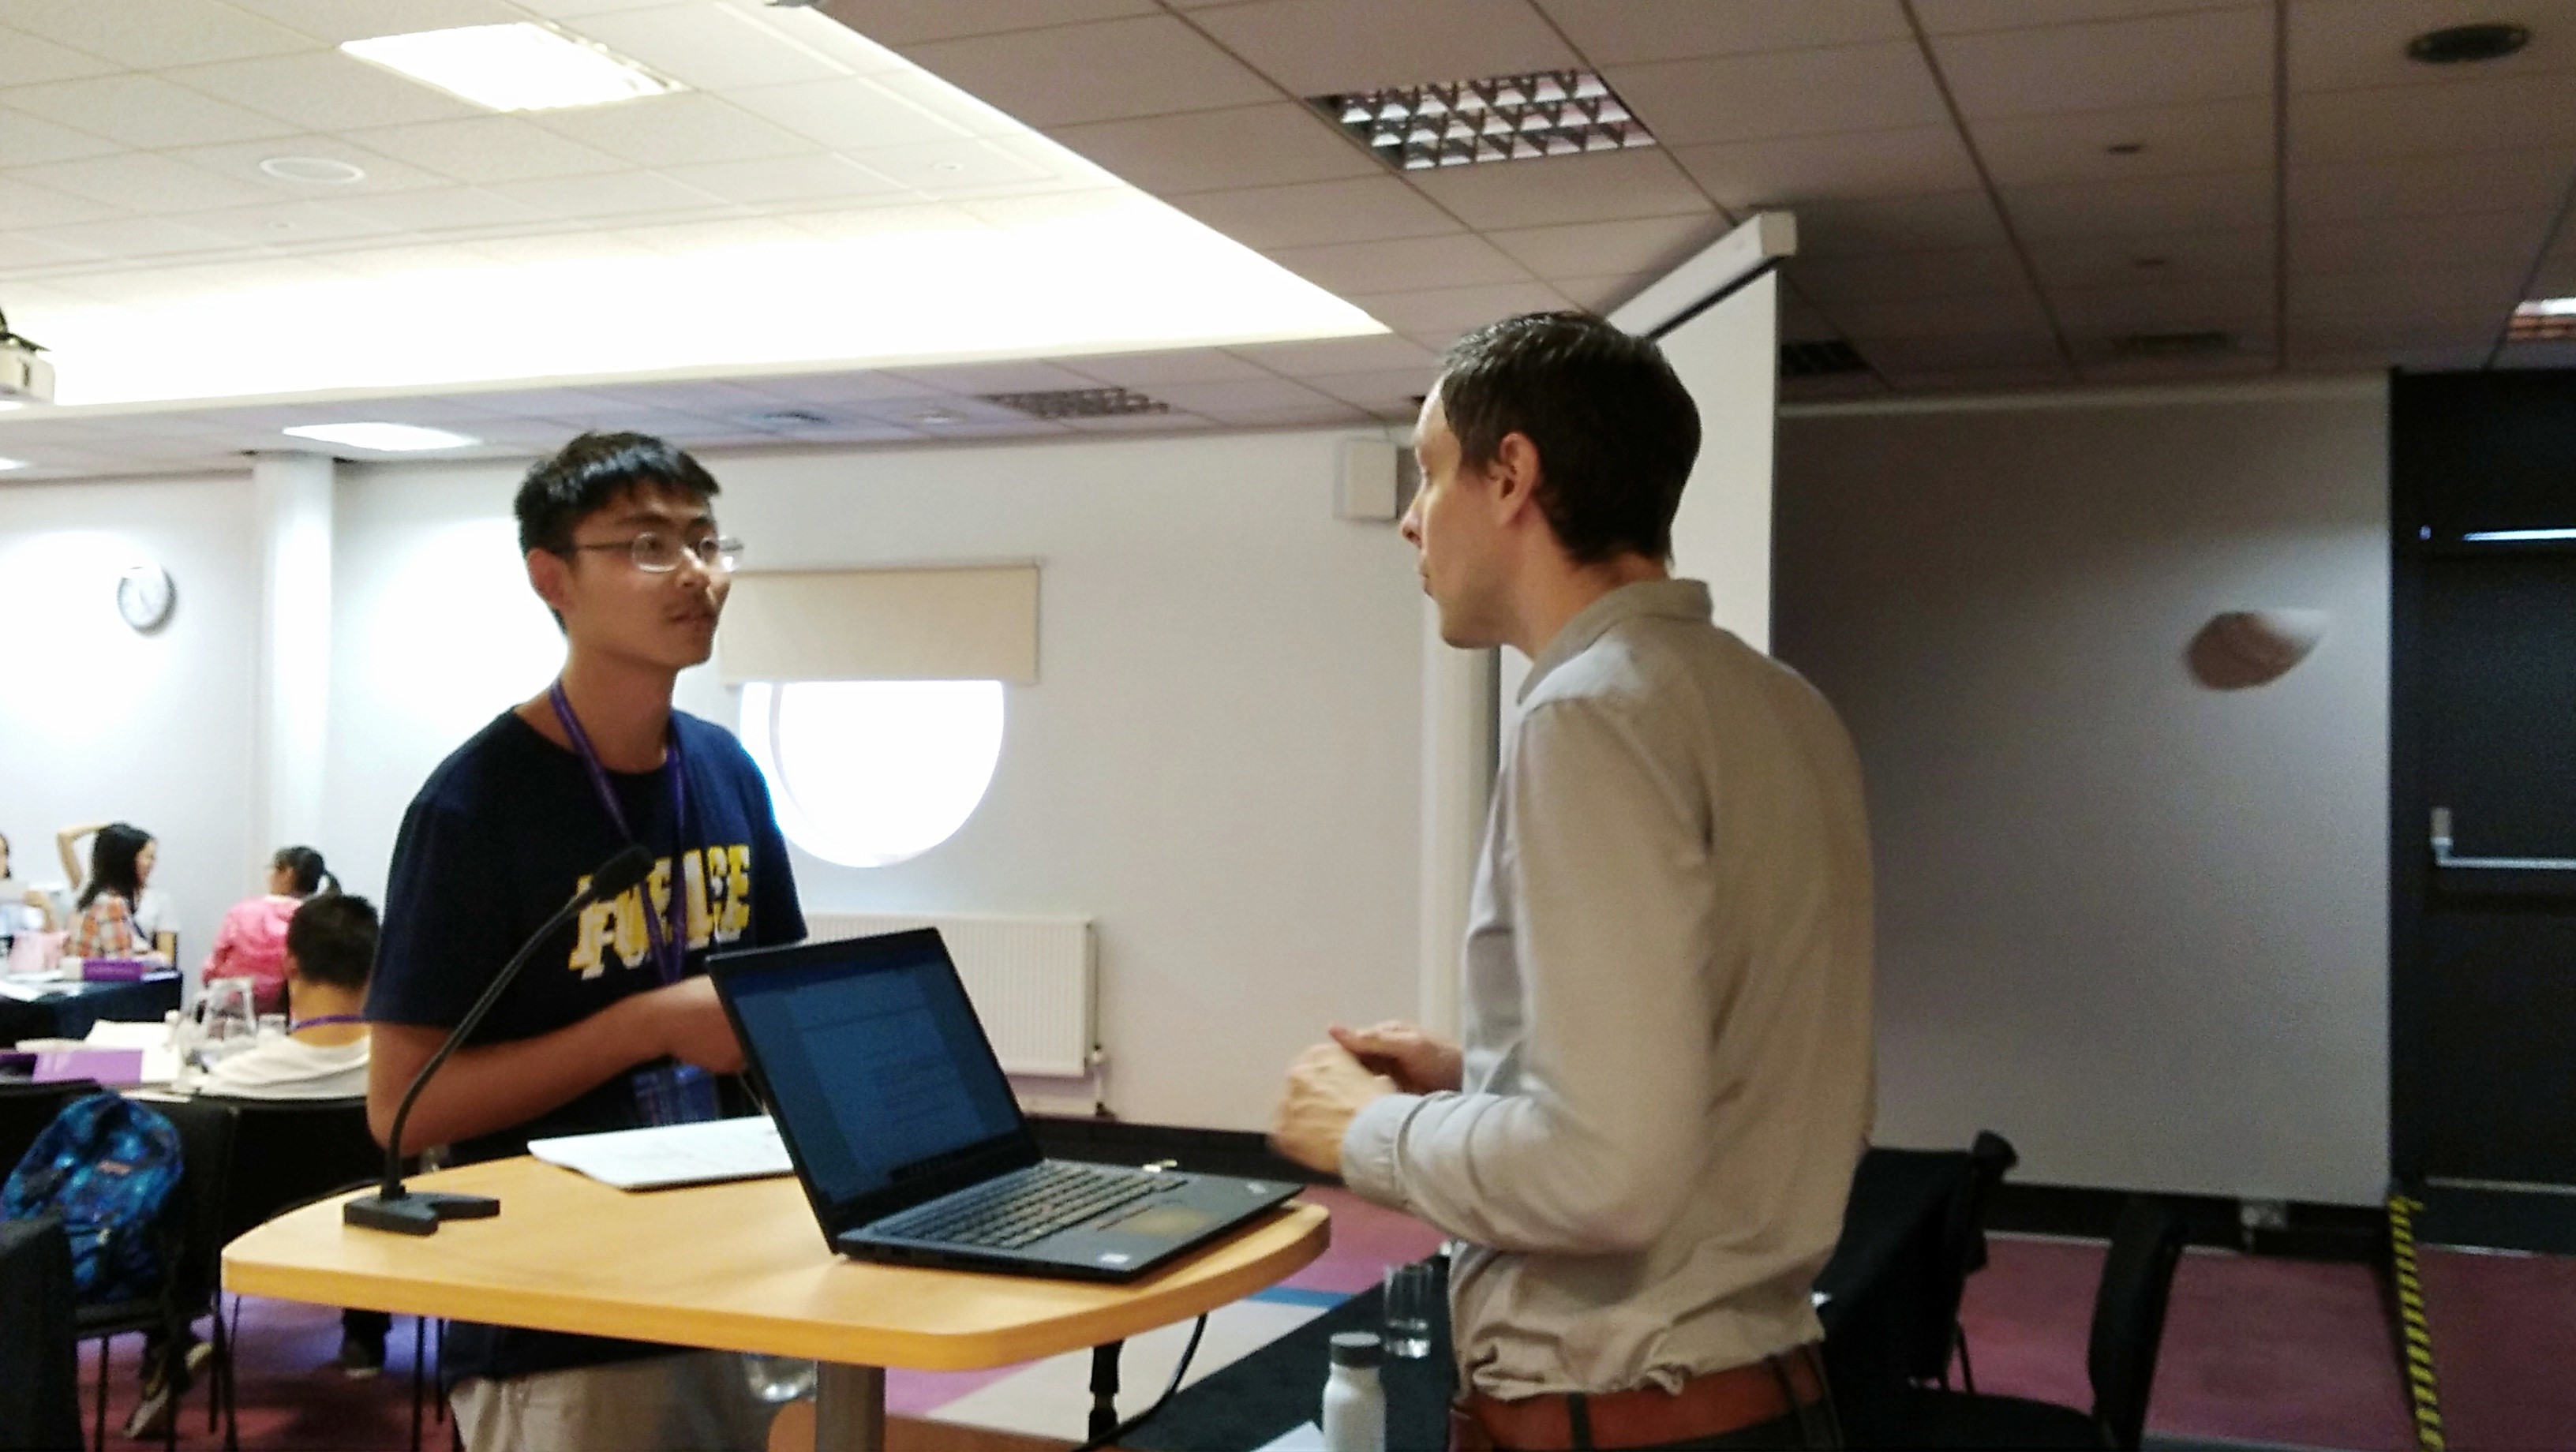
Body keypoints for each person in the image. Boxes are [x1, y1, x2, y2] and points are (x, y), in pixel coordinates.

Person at [1270, 312, 1874, 1451]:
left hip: (1631, 1422)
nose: (1411, 518)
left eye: (1430, 471)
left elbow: (1606, 1175)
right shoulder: (1782, 705)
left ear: (1512, 475)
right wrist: (1482, 1078)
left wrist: (1370, 1129)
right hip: (1761, 1398)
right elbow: (1744, 1079)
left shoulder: (1592, 714)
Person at [365, 432, 804, 1452]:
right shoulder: (474, 805)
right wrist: (646, 1026)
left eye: (706, 541)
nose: (695, 573)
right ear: (551, 577)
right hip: (559, 1318)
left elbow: (778, 1005)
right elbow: (401, 1107)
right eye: (648, 546)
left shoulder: (726, 770)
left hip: (732, 1279)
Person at [183, 893, 394, 1385]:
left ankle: (171, 1339)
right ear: (377, 966)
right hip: (375, 1230)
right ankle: (366, 1335)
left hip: (242, 1234)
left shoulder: (229, 1082)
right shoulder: (397, 1081)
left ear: (290, 963)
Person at [200, 846, 335, 1015]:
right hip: (294, 1013)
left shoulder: (242, 913)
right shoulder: (319, 922)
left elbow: (213, 967)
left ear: (287, 873)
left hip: (234, 1011)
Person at [61, 822, 168, 964]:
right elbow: (122, 966)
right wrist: (157, 960)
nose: (152, 865)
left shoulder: (90, 897)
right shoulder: (112, 905)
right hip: (102, 978)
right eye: (147, 857)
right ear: (127, 861)